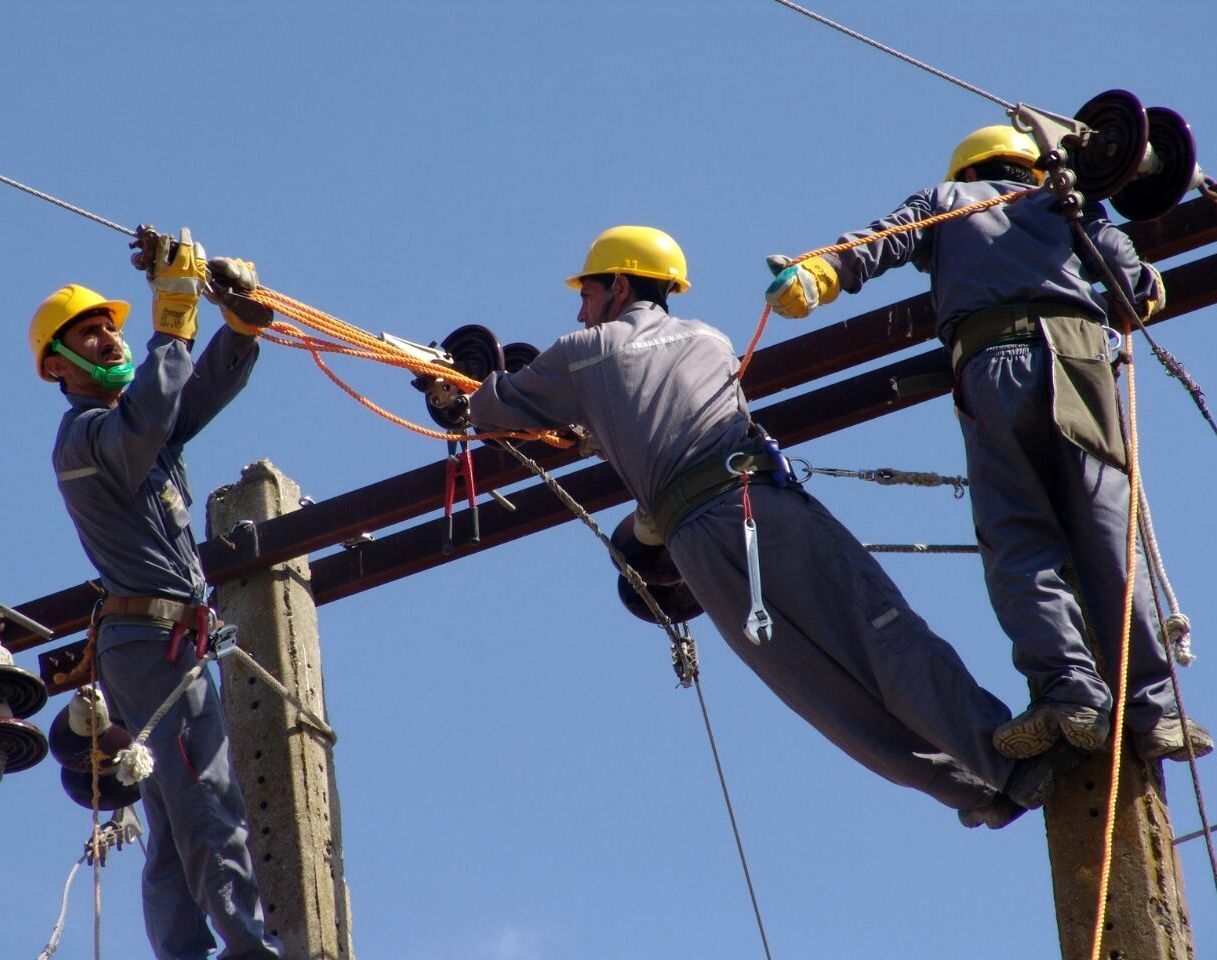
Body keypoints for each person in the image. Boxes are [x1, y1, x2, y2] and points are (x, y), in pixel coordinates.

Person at [465, 225, 1081, 830]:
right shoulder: (708, 340)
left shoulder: (581, 356)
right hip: (756, 504)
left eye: (587, 294)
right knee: (880, 635)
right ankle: (1007, 764)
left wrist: (455, 386)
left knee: (821, 693)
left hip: (697, 547)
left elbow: (488, 407)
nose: (580, 311)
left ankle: (979, 790)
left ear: (620, 287)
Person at [764, 126, 1212, 766]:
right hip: (1080, 367)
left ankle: (1069, 694)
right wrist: (1139, 277)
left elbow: (875, 245)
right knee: (1107, 536)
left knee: (1018, 538)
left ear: (968, 171)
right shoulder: (1068, 200)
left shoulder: (945, 200)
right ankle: (1156, 709)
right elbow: (1135, 287)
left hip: (990, 368)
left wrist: (816, 276)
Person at [29, 227, 283, 960]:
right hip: (152, 645)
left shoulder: (134, 433)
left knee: (175, 825)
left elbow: (191, 395)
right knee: (206, 801)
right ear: (57, 364)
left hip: (158, 646)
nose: (111, 339)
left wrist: (237, 321)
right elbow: (152, 412)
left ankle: (186, 953)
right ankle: (250, 949)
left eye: (113, 327)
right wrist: (171, 316)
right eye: (91, 333)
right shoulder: (87, 441)